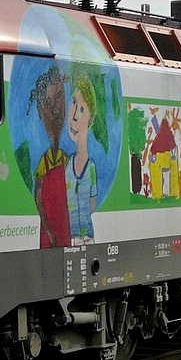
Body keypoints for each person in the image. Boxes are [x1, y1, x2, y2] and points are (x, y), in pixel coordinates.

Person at [29, 65, 71, 248]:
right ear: (40, 111)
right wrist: (48, 231)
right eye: (47, 103)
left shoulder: (66, 160)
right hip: (50, 234)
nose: (55, 110)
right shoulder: (43, 163)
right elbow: (39, 200)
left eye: (59, 96)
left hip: (65, 229)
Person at [66, 74, 98, 245]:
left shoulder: (91, 168)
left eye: (82, 109)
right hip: (70, 237)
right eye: (73, 103)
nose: (74, 116)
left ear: (90, 119)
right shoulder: (66, 166)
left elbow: (93, 203)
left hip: (86, 237)